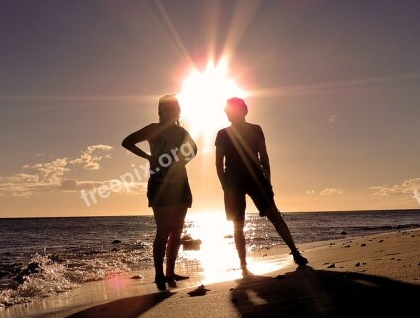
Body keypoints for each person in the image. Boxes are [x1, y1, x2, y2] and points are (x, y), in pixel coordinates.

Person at [215, 97, 308, 275]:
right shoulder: (222, 133)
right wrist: (224, 187)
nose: (228, 113)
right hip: (233, 181)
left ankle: (295, 252)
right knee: (238, 224)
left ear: (243, 111)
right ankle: (243, 265)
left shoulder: (255, 129)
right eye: (226, 111)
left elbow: (264, 157)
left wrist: (269, 182)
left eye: (230, 110)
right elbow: (218, 163)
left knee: (274, 214)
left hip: (257, 178)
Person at [122, 95, 198, 291]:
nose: (170, 112)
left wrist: (181, 162)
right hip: (159, 185)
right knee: (163, 230)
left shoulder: (181, 132)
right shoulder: (152, 129)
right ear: (160, 111)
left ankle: (171, 272)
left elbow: (194, 150)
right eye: (166, 109)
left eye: (174, 109)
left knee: (177, 230)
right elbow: (127, 142)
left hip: (180, 184)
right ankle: (159, 274)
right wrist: (149, 157)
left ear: (178, 111)